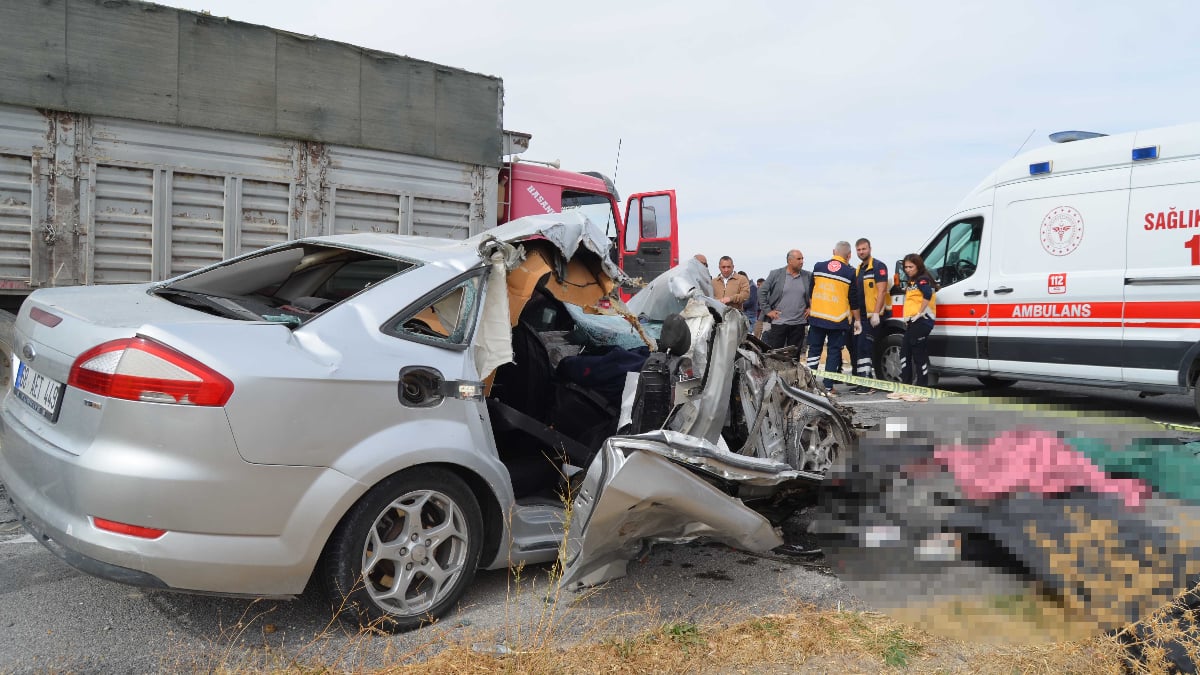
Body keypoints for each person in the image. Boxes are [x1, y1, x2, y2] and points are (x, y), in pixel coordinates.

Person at [806, 241, 861, 395]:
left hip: (817, 317)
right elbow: (853, 300)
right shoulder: (850, 273)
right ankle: (828, 387)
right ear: (849, 255)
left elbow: (811, 292)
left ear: (833, 251)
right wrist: (857, 321)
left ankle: (809, 385)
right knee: (833, 352)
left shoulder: (818, 267)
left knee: (814, 350)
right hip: (838, 320)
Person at [849, 238, 890, 393]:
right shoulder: (859, 269)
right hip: (862, 317)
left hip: (873, 316)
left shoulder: (878, 266)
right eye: (858, 250)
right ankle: (862, 381)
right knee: (859, 348)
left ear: (870, 248)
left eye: (864, 249)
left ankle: (868, 384)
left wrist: (876, 313)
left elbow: (882, 291)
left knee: (865, 348)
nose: (861, 252)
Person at [760, 250, 811, 351]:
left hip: (798, 323)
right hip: (779, 322)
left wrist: (811, 307)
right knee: (775, 354)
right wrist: (768, 311)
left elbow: (816, 293)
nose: (802, 262)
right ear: (790, 260)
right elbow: (762, 292)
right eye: (799, 259)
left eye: (802, 259)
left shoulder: (808, 276)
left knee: (794, 356)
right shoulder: (776, 274)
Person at [899, 253, 938, 386]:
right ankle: (906, 386)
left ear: (918, 266)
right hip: (913, 322)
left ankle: (922, 388)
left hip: (922, 321)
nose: (908, 269)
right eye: (906, 267)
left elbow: (927, 293)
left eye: (911, 266)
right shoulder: (912, 282)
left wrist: (920, 313)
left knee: (918, 355)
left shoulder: (922, 279)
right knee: (904, 353)